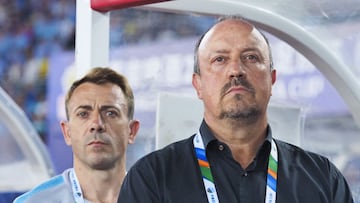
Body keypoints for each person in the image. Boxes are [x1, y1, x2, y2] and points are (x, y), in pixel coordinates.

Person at [118, 16, 354, 203]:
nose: (236, 70)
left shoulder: (323, 180)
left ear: (272, 79)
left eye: (251, 57)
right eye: (219, 59)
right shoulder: (151, 178)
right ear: (197, 85)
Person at [14, 67, 140, 203]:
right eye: (83, 114)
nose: (96, 124)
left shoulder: (155, 197)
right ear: (67, 132)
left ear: (131, 131)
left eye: (110, 113)